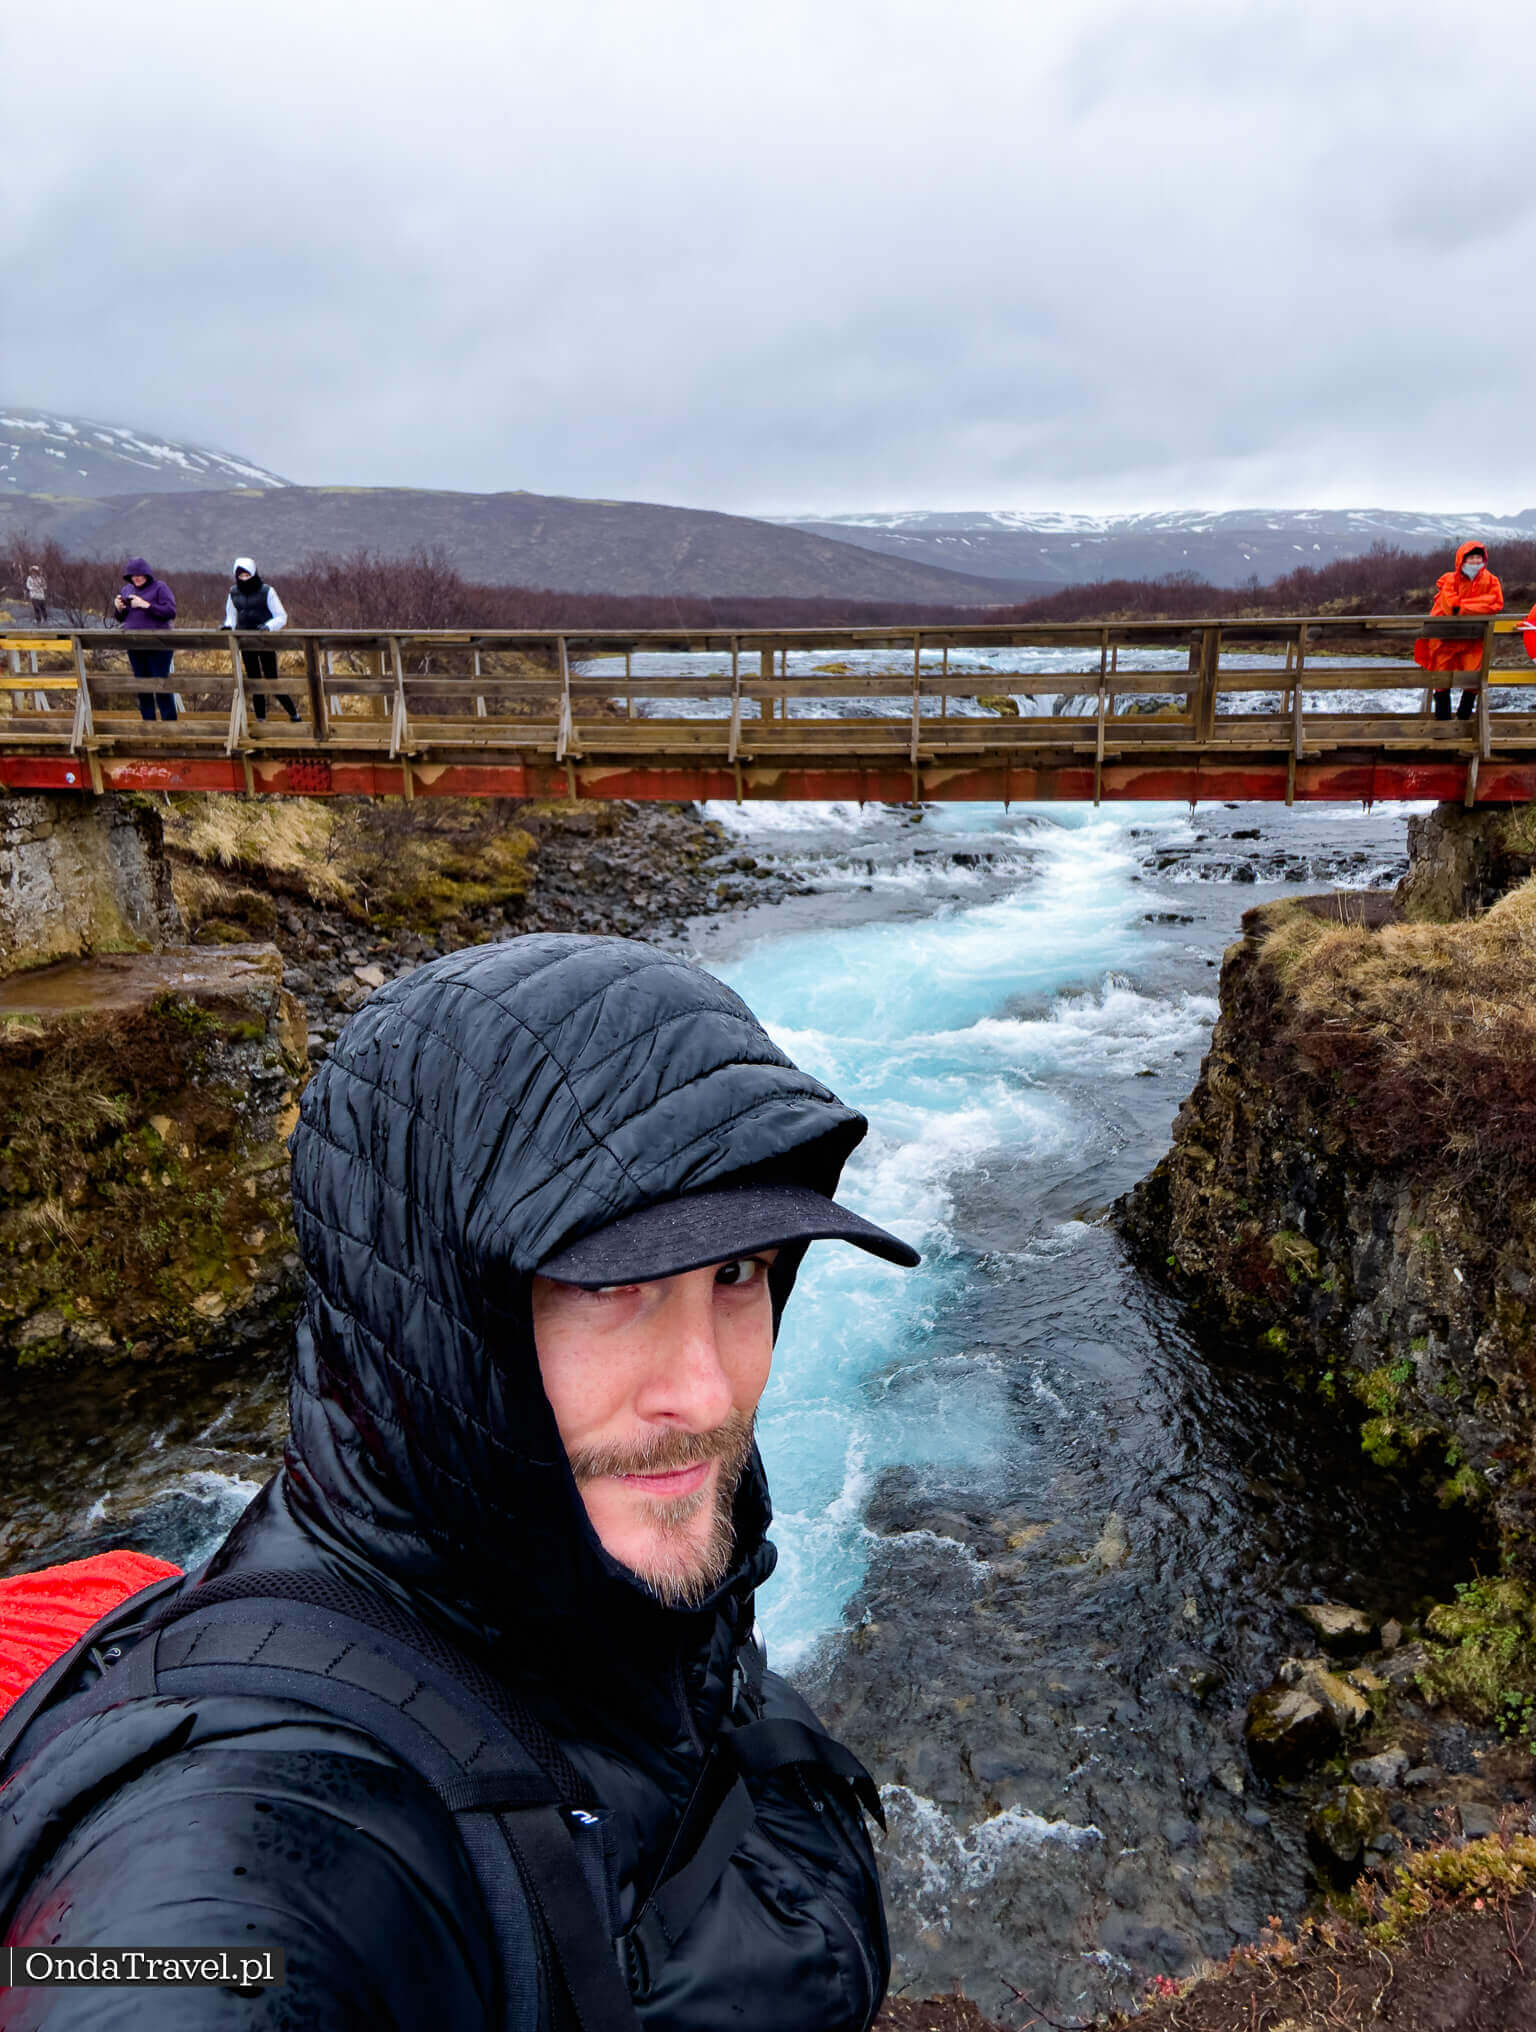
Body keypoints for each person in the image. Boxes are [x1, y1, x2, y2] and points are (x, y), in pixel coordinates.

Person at [0, 936, 911, 2030]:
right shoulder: (259, 1830)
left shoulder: (634, 1585)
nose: (706, 1389)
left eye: (736, 1273)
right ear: (436, 1319)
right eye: (612, 1285)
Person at [1415, 540, 1503, 720]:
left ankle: (1463, 719)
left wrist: (1463, 607)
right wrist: (1478, 605)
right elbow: (1450, 607)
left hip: (1473, 640)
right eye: (1470, 557)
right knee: (1441, 679)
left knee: (1473, 678)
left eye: (1478, 557)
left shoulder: (1491, 580)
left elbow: (1495, 604)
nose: (1475, 561)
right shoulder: (1450, 580)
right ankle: (1442, 722)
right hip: (1444, 639)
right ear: (1461, 560)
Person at [223, 555, 295, 722]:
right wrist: (228, 627)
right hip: (246, 642)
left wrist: (268, 627)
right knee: (254, 680)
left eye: (247, 575)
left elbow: (281, 616)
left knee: (271, 679)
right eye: (241, 576)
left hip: (265, 641)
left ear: (254, 574)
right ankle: (261, 718)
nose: (244, 579)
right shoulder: (233, 593)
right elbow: (231, 616)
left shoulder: (267, 591)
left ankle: (294, 714)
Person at [111, 557, 177, 723]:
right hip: (134, 644)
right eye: (133, 575)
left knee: (160, 684)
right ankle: (148, 723)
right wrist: (118, 609)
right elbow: (122, 618)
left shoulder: (160, 587)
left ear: (147, 574)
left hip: (159, 645)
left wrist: (145, 605)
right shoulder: (126, 589)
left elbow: (170, 611)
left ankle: (170, 723)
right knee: (142, 686)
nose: (136, 578)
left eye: (140, 574)